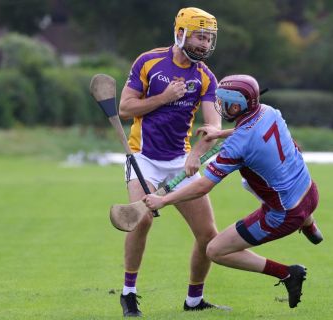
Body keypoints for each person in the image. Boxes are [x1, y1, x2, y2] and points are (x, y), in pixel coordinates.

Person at [143, 74, 324, 309]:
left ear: (237, 104)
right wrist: (220, 134)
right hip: (310, 192)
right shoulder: (269, 111)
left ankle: (288, 273)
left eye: (224, 102)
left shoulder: (238, 145)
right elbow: (248, 132)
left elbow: (203, 186)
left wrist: (163, 200)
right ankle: (311, 227)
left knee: (215, 250)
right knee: (263, 181)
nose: (220, 106)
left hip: (285, 215)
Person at [118, 7, 227, 317]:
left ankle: (194, 300)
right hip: (143, 158)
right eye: (199, 37)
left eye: (208, 39)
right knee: (142, 218)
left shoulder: (205, 76)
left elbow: (213, 127)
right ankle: (128, 293)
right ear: (180, 34)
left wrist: (195, 155)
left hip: (182, 161)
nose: (204, 45)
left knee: (208, 235)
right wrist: (164, 97)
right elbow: (125, 108)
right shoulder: (149, 61)